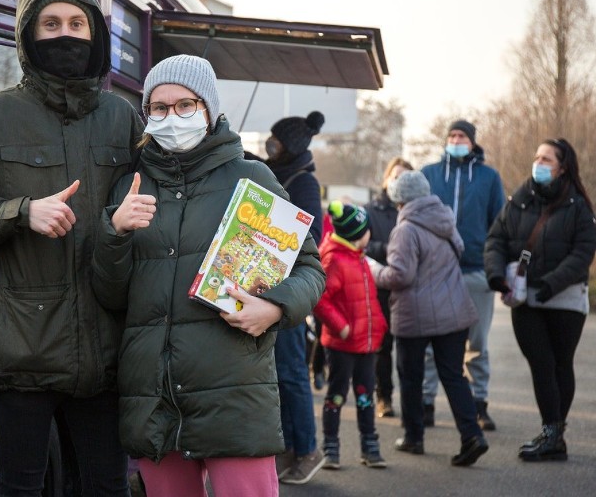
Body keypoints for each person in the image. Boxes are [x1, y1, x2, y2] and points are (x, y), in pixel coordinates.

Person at [0, 0, 144, 496]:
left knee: (105, 489)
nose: (66, 34)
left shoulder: (124, 119)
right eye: (50, 24)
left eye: (77, 22)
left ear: (95, 31)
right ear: (28, 34)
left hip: (107, 353)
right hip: (25, 352)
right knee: (22, 490)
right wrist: (20, 212)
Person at [91, 54, 326, 496]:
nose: (171, 117)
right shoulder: (130, 186)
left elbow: (310, 268)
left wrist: (275, 308)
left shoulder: (251, 177)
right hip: (154, 396)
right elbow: (110, 293)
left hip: (233, 393)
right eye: (158, 108)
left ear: (209, 109)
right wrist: (114, 232)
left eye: (185, 105)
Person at [484, 138, 596, 462]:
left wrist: (551, 283)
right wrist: (495, 274)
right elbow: (496, 239)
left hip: (565, 298)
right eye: (537, 157)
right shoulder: (519, 200)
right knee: (541, 364)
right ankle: (551, 430)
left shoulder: (578, 206)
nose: (539, 163)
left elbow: (582, 253)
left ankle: (554, 435)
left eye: (547, 159)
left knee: (560, 364)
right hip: (526, 298)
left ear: (562, 167)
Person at [371, 170, 489, 467]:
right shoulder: (446, 219)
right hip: (453, 310)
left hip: (415, 315)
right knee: (453, 375)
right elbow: (459, 251)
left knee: (411, 377)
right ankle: (472, 435)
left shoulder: (405, 229)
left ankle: (414, 437)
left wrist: (372, 270)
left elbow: (400, 275)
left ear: (400, 199)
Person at [421, 119, 505, 431]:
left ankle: (479, 404)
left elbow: (500, 225)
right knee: (431, 342)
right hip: (434, 273)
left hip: (475, 271)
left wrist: (499, 267)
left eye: (462, 136)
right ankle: (426, 402)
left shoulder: (488, 177)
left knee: (477, 343)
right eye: (452, 135)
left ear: (472, 142)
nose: (456, 140)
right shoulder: (428, 174)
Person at [264, 111, 326, 483]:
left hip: (287, 290)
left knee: (291, 374)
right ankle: (289, 448)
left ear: (292, 146)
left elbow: (312, 233)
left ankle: (307, 450)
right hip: (267, 287)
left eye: (277, 140)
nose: (271, 145)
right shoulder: (273, 171)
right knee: (279, 375)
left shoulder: (304, 183)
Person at [315, 200, 388, 470]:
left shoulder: (360, 259)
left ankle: (370, 445)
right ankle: (330, 447)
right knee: (337, 394)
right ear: (358, 234)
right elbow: (320, 299)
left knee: (365, 394)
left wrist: (378, 327)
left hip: (366, 344)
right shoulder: (335, 259)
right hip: (341, 345)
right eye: (367, 229)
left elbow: (369, 300)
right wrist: (342, 327)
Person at [364, 157, 414, 418]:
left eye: (405, 177)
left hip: (408, 288)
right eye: (395, 176)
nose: (398, 181)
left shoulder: (414, 210)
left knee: (408, 349)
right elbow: (363, 244)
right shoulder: (370, 210)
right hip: (381, 286)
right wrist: (389, 249)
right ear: (386, 179)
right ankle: (384, 397)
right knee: (382, 348)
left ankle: (412, 403)